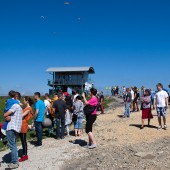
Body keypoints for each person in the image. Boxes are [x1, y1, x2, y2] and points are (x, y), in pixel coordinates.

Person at [4, 91, 22, 169]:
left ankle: (14, 162)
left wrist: (6, 115)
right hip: (16, 128)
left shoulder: (14, 106)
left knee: (12, 145)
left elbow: (5, 114)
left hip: (11, 127)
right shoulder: (20, 107)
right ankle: (15, 160)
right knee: (13, 144)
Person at [19, 96, 34, 162]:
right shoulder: (27, 108)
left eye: (24, 100)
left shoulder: (28, 109)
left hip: (23, 124)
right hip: (22, 124)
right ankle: (24, 154)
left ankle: (25, 155)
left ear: (27, 101)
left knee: (23, 140)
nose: (23, 101)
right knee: (22, 140)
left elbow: (21, 115)